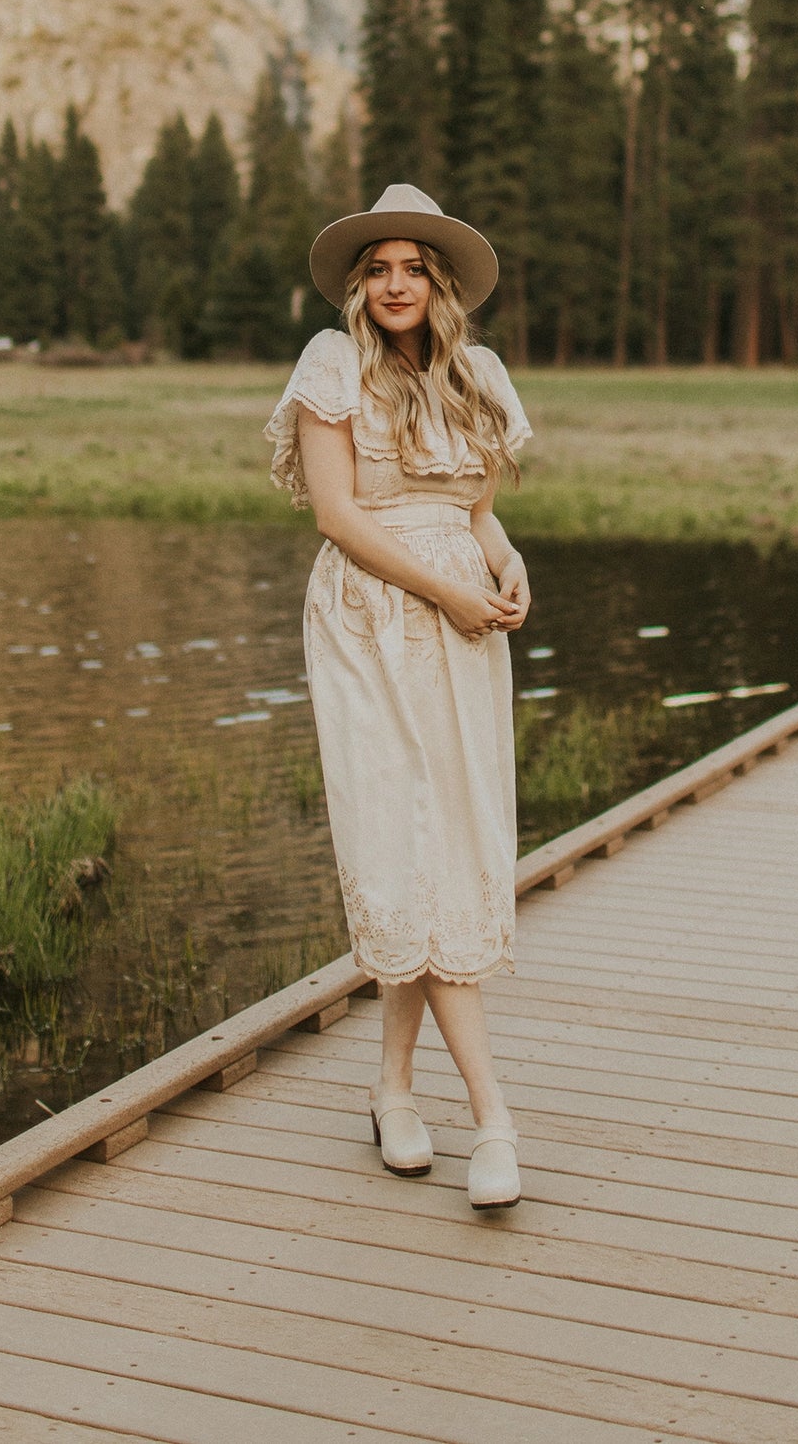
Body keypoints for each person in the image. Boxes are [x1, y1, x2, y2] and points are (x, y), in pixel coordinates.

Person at [264, 183, 532, 1210]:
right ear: (356, 285)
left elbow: (475, 512)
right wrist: (446, 589)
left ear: (441, 282)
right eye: (375, 269)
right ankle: (493, 1116)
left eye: (411, 267)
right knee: (401, 841)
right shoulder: (333, 368)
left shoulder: (476, 377)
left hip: (462, 626)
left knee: (443, 843)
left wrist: (505, 571)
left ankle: (389, 1090)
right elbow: (336, 513)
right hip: (370, 621)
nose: (392, 284)